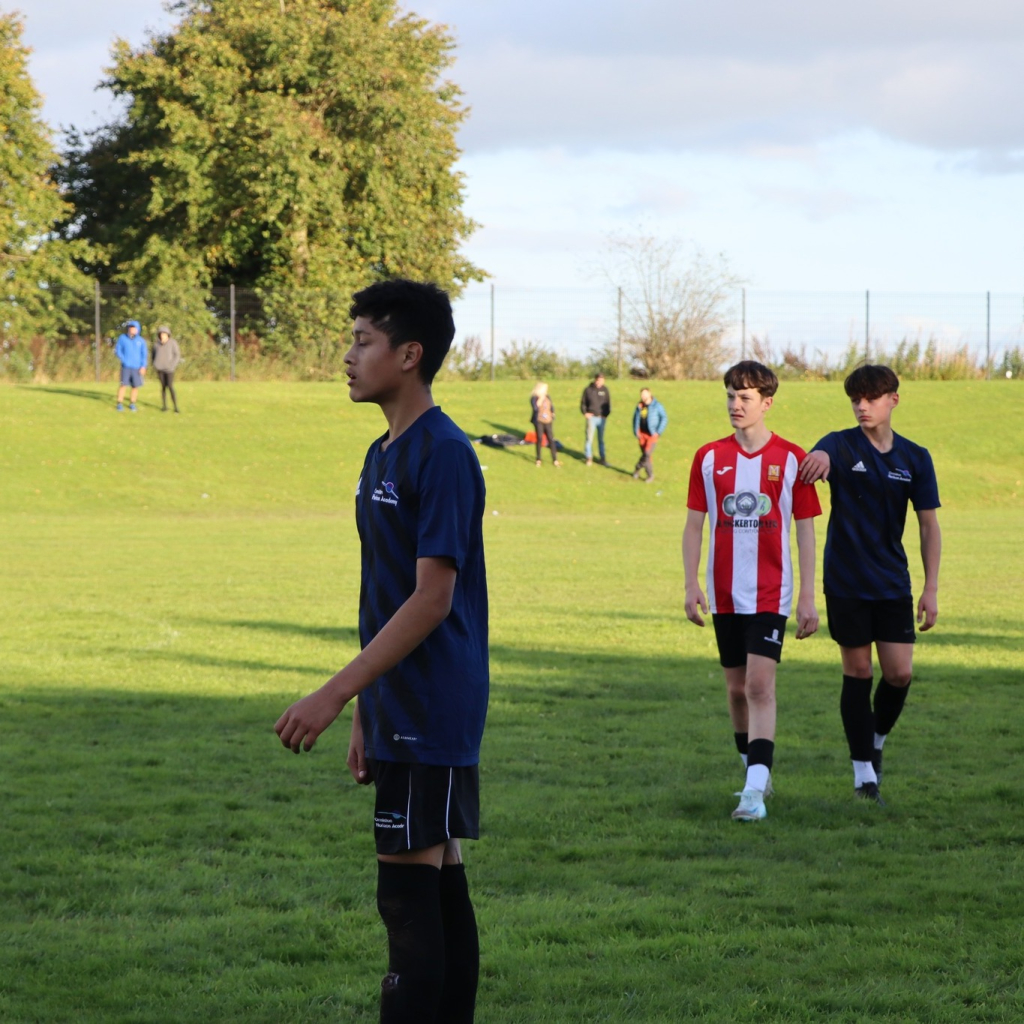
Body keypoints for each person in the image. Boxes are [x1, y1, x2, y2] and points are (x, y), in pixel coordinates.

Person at [275, 280, 488, 1023]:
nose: (348, 355)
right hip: (402, 702)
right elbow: (384, 594)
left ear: (409, 354)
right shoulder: (381, 454)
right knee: (438, 882)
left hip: (435, 702)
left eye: (363, 340)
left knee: (404, 902)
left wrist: (332, 693)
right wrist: (369, 707)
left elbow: (432, 598)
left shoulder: (446, 454)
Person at [683, 361, 821, 822]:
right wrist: (690, 584)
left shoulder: (791, 460)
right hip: (724, 593)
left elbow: (805, 532)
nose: (735, 405)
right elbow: (694, 526)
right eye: (730, 396)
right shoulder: (707, 457)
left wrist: (806, 594)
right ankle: (754, 773)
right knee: (735, 689)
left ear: (767, 403)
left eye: (744, 398)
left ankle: (753, 794)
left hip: (770, 593)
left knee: (759, 686)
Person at [798, 364, 941, 806]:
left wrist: (931, 587)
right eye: (855, 399)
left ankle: (875, 739)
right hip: (845, 581)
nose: (862, 406)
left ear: (893, 400)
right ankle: (864, 776)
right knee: (858, 671)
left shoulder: (915, 458)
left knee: (899, 673)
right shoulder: (839, 445)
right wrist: (817, 459)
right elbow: (817, 454)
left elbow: (929, 526)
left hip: (892, 583)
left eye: (871, 398)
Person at [632, 387, 666, 482]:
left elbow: (664, 418)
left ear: (649, 394)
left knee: (647, 453)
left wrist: (658, 431)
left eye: (645, 394)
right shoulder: (639, 406)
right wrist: (636, 431)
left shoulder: (657, 406)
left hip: (652, 434)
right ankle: (649, 475)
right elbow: (635, 419)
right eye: (641, 395)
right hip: (642, 434)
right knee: (646, 456)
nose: (643, 396)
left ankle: (637, 468)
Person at [115, 320, 147, 411]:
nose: (132, 329)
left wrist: (143, 366)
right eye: (130, 328)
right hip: (126, 366)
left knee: (135, 386)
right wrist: (124, 359)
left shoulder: (141, 341)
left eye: (134, 328)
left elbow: (144, 354)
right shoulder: (122, 338)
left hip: (137, 367)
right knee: (123, 385)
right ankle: (119, 403)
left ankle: (132, 403)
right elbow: (118, 350)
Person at [580, 372, 611, 466]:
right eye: (598, 380)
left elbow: (608, 403)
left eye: (602, 380)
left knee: (601, 439)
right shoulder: (588, 390)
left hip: (601, 418)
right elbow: (583, 403)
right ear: (595, 379)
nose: (599, 382)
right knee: (589, 439)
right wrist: (585, 413)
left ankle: (602, 458)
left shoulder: (605, 390)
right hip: (591, 418)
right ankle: (589, 457)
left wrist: (605, 415)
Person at [530, 381, 561, 467]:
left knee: (551, 439)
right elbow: (535, 408)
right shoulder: (534, 398)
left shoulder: (548, 397)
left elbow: (551, 406)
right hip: (539, 421)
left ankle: (555, 459)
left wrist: (552, 413)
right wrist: (540, 398)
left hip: (548, 420)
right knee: (539, 438)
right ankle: (538, 459)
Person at [152, 325, 181, 413]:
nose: (162, 335)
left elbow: (177, 355)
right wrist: (155, 364)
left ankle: (175, 407)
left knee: (170, 386)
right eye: (161, 334)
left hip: (169, 369)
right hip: (160, 369)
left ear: (168, 334)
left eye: (164, 334)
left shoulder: (173, 343)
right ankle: (164, 406)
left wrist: (172, 365)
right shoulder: (156, 344)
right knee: (163, 387)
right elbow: (153, 355)